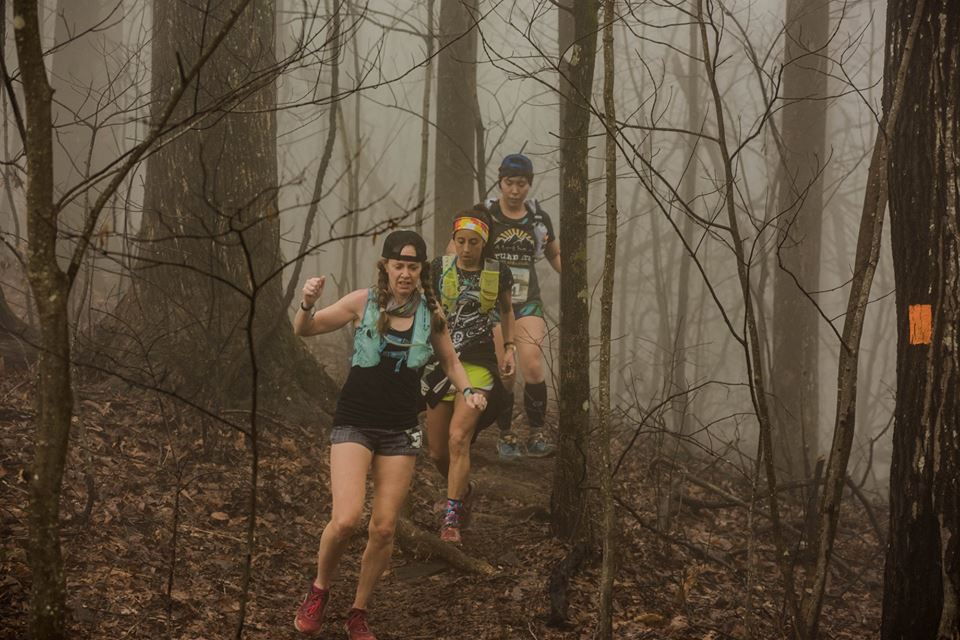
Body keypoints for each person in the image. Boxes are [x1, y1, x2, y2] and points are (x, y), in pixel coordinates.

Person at [291, 230, 487, 640]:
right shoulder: (363, 302)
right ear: (385, 266)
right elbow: (304, 330)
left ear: (421, 270)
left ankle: (359, 611)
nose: (404, 273)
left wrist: (468, 390)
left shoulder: (431, 313)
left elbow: (450, 358)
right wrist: (306, 302)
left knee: (383, 528)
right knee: (345, 521)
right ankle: (319, 590)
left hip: (400, 429)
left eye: (412, 267)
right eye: (398, 265)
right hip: (355, 422)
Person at [423, 206, 517, 544]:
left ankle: (451, 520)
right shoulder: (437, 268)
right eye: (460, 241)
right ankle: (465, 490)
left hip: (478, 363)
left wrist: (509, 347)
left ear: (484, 242)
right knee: (436, 452)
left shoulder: (498, 272)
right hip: (440, 363)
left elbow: (507, 310)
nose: (465, 248)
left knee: (458, 438)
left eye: (473, 242)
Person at [486, 153, 561, 460]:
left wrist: (578, 283)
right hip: (491, 303)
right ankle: (505, 434)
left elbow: (554, 255)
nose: (514, 191)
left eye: (521, 184)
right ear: (500, 183)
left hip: (528, 301)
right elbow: (460, 246)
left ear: (529, 185)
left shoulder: (538, 219)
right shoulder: (486, 214)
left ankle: (537, 432)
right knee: (506, 368)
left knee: (531, 363)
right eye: (509, 183)